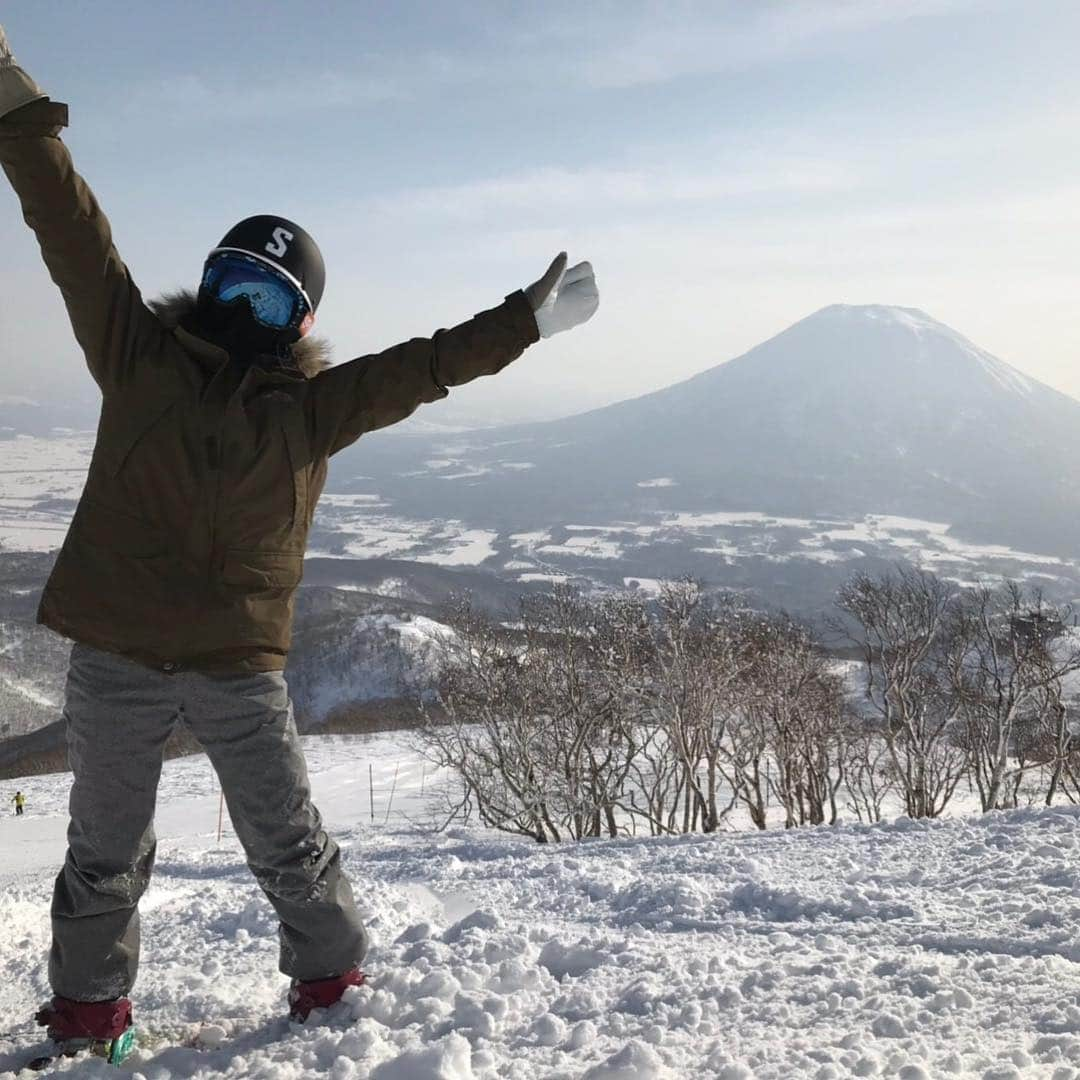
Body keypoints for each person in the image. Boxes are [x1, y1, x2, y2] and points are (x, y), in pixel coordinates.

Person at [0, 25, 598, 1064]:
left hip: (239, 670)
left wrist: (523, 324)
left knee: (289, 842)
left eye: (269, 300)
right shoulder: (134, 352)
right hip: (119, 658)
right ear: (206, 286)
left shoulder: (312, 411)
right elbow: (67, 219)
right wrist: (11, 95)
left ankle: (333, 989)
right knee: (103, 856)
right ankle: (89, 1022)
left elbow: (422, 367)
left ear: (298, 321)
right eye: (234, 286)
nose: (244, 311)